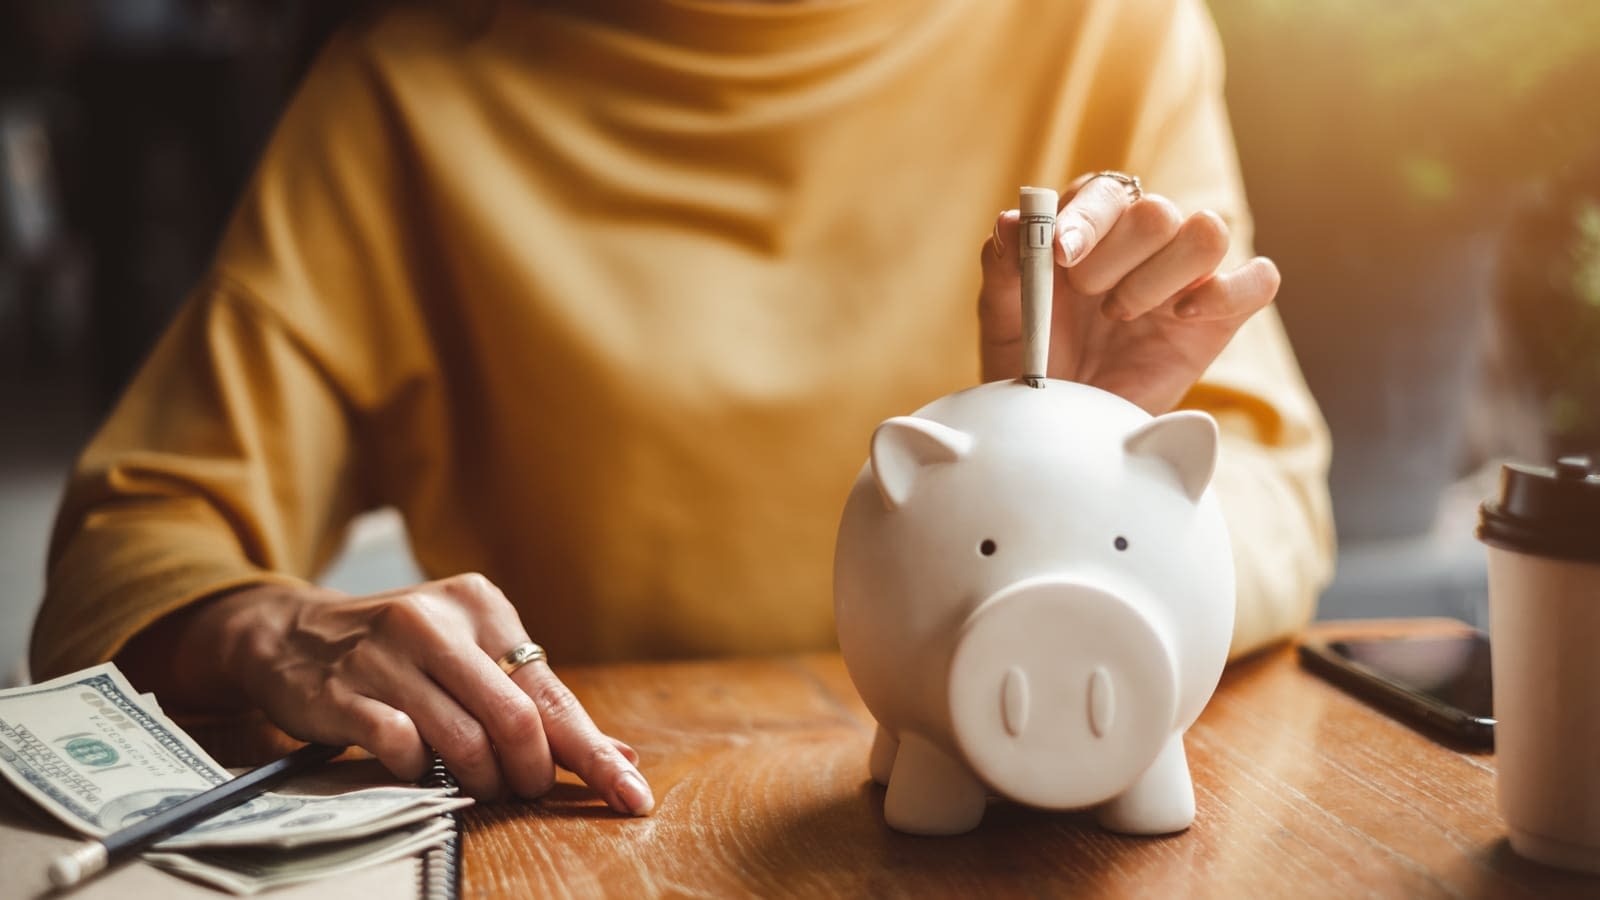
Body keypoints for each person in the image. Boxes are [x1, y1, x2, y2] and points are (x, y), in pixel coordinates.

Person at [31, 0, 1333, 817]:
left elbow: (1272, 489)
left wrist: (1090, 470)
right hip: (612, 829)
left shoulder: (1106, 28)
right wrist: (283, 628)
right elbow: (124, 553)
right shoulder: (403, 98)